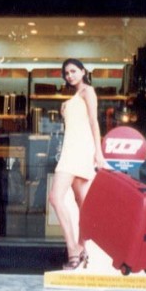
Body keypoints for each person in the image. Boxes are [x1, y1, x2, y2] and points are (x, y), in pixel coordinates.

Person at [47, 59, 109, 270]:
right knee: (80, 201)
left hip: (81, 150)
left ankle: (74, 249)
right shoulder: (74, 97)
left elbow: (94, 121)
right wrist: (67, 107)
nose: (70, 75)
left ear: (83, 71)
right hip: (70, 150)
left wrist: (98, 152)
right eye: (66, 73)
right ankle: (81, 248)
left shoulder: (88, 91)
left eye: (73, 71)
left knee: (56, 197)